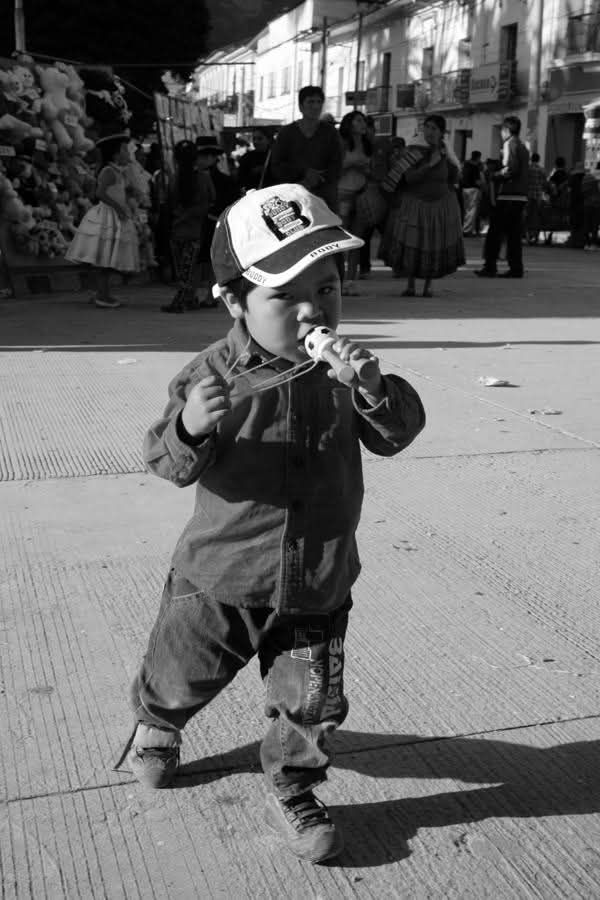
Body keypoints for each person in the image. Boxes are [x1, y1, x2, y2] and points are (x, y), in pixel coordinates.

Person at [117, 183, 426, 864]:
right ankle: (158, 723)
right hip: (220, 575)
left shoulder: (346, 372)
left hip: (317, 577)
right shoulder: (210, 375)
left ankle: (296, 784)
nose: (315, 308)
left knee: (310, 703)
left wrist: (375, 390)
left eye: (329, 287)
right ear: (234, 301)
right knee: (181, 671)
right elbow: (165, 462)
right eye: (286, 296)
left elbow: (398, 433)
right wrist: (193, 424)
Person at [379, 114, 465, 297]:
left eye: (434, 129)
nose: (430, 132)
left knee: (433, 245)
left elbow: (453, 178)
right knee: (413, 242)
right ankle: (410, 285)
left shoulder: (446, 153)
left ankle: (428, 286)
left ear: (442, 133)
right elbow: (409, 178)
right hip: (415, 204)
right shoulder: (414, 151)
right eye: (427, 128)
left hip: (440, 206)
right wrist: (429, 165)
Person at [65, 134, 139, 308]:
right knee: (104, 258)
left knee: (108, 258)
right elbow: (100, 193)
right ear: (114, 153)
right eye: (123, 149)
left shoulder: (118, 172)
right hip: (108, 216)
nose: (127, 153)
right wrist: (119, 208)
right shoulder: (108, 171)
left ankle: (102, 292)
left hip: (116, 216)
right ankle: (102, 295)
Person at [160, 139, 216, 314]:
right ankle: (188, 297)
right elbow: (212, 199)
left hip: (177, 229)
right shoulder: (204, 178)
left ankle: (183, 298)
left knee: (181, 268)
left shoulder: (174, 178)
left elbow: (167, 203)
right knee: (189, 266)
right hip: (195, 228)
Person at [269, 85, 342, 212]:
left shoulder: (330, 133)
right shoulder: (287, 133)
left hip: (324, 197)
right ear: (301, 106)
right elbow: (277, 165)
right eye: (311, 102)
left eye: (319, 102)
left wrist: (317, 179)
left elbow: (337, 164)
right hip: (292, 195)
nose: (315, 106)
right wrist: (303, 174)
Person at [476, 115, 529, 278]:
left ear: (506, 130)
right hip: (520, 196)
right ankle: (516, 267)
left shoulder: (509, 144)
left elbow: (511, 169)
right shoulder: (522, 146)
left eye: (501, 130)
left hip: (508, 196)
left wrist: (495, 175)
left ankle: (490, 266)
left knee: (495, 233)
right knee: (513, 235)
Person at [193, 135, 240, 307]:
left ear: (213, 158)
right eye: (200, 156)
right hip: (198, 224)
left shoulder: (225, 181)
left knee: (210, 261)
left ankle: (208, 296)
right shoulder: (191, 177)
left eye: (206, 156)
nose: (201, 159)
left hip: (213, 224)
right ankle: (198, 295)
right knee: (200, 261)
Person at [337, 110, 372, 294]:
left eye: (363, 121)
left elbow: (372, 170)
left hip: (361, 193)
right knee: (342, 240)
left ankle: (351, 281)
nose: (362, 123)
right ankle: (339, 280)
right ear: (349, 124)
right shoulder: (342, 144)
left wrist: (366, 171)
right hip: (342, 194)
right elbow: (335, 170)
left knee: (357, 240)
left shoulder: (367, 145)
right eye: (358, 120)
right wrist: (351, 166)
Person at [237, 128, 273, 193]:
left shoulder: (274, 156)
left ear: (268, 140)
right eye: (254, 139)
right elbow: (241, 180)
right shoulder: (247, 157)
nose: (256, 142)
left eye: (260, 139)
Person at [525, 152, 549, 245]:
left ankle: (527, 235)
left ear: (531, 159)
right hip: (538, 195)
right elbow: (545, 183)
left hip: (528, 195)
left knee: (528, 215)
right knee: (536, 216)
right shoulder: (541, 170)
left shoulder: (528, 169)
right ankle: (534, 235)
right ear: (538, 160)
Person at [461, 150, 483, 236]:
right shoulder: (475, 167)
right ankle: (467, 230)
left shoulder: (465, 165)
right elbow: (477, 181)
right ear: (478, 157)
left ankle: (465, 228)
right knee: (472, 210)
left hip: (464, 189)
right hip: (473, 189)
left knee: (466, 210)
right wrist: (482, 186)